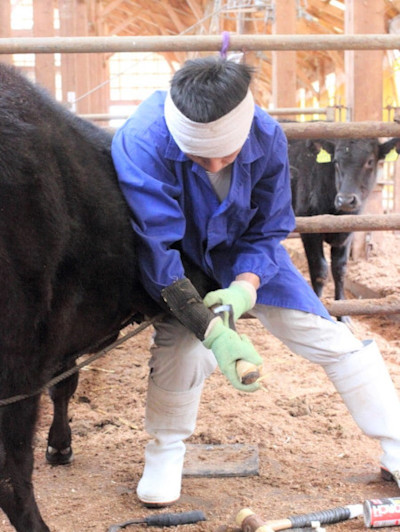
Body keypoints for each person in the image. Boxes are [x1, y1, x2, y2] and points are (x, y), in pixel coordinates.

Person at [111, 55, 400, 508]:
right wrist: (209, 328)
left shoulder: (266, 135)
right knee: (182, 345)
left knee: (326, 333)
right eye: (197, 155)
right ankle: (165, 451)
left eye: (225, 154)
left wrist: (246, 286)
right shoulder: (141, 140)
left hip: (246, 250)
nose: (212, 164)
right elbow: (155, 246)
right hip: (180, 257)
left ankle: (397, 443)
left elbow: (269, 227)